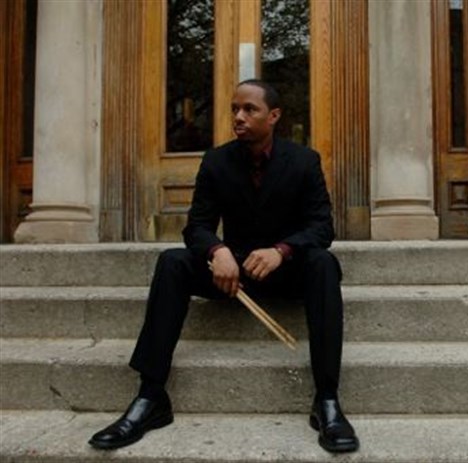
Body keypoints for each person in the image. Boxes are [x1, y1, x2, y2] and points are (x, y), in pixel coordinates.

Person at [88, 79, 359, 453]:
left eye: (249, 109)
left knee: (324, 263)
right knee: (172, 262)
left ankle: (326, 399)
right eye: (235, 109)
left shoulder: (304, 160)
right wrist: (217, 251)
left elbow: (322, 227)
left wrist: (281, 251)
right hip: (232, 276)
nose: (239, 117)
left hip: (285, 272)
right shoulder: (216, 161)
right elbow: (196, 226)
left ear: (273, 116)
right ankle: (151, 396)